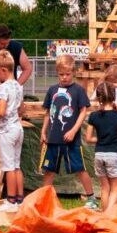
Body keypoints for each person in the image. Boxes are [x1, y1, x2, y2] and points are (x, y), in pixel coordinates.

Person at [40, 55, 99, 208]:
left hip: (71, 140)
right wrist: (43, 132)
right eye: (61, 74)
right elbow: (48, 112)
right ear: (57, 73)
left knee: (80, 169)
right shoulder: (52, 90)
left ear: (73, 72)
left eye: (67, 74)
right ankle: (43, 201)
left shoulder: (78, 90)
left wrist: (73, 130)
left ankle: (91, 199)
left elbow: (83, 111)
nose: (64, 77)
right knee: (49, 171)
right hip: (53, 139)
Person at [0, 51, 24, 212]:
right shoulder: (18, 85)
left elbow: (1, 111)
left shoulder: (3, 88)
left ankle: (10, 201)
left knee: (8, 166)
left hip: (6, 130)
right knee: (16, 166)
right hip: (18, 127)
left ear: (3, 69)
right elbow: (21, 108)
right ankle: (19, 199)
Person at [85, 81, 117, 212]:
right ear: (114, 96)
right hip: (114, 154)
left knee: (105, 188)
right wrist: (114, 137)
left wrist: (102, 138)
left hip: (99, 154)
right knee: (116, 188)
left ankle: (104, 214)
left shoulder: (93, 116)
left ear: (99, 98)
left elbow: (88, 138)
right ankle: (107, 216)